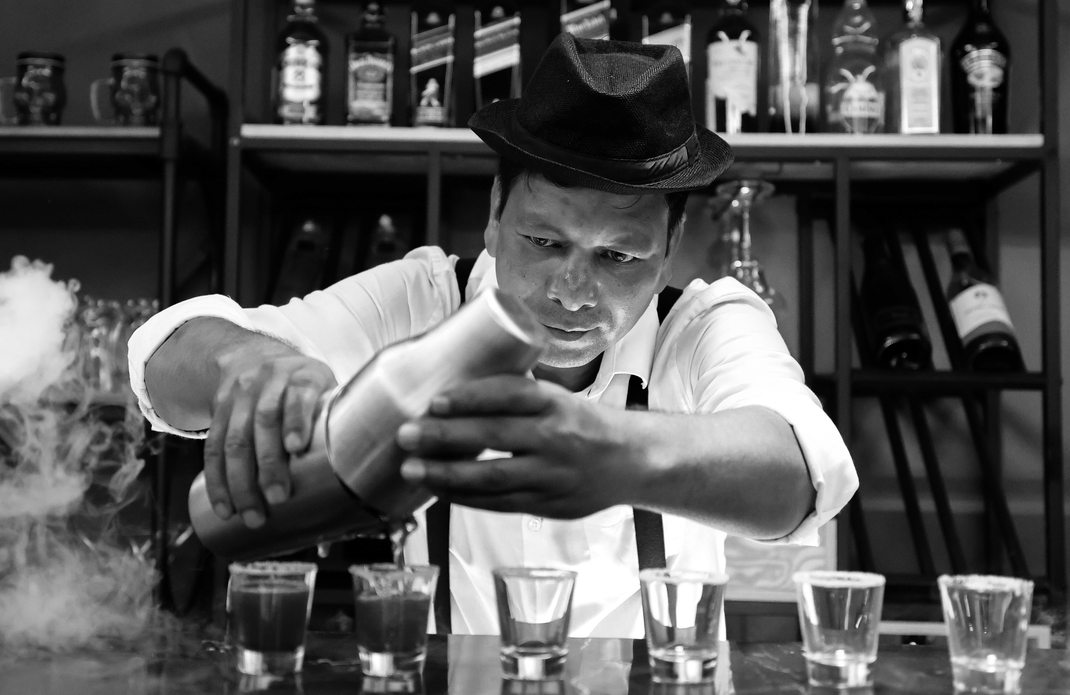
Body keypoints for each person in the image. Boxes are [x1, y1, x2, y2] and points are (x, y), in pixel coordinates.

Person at [127, 34, 857, 638]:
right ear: (495, 212)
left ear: (670, 248)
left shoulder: (704, 327)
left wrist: (619, 455)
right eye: (544, 242)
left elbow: (800, 473)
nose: (572, 290)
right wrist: (250, 359)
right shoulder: (421, 302)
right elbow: (162, 361)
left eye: (618, 257)